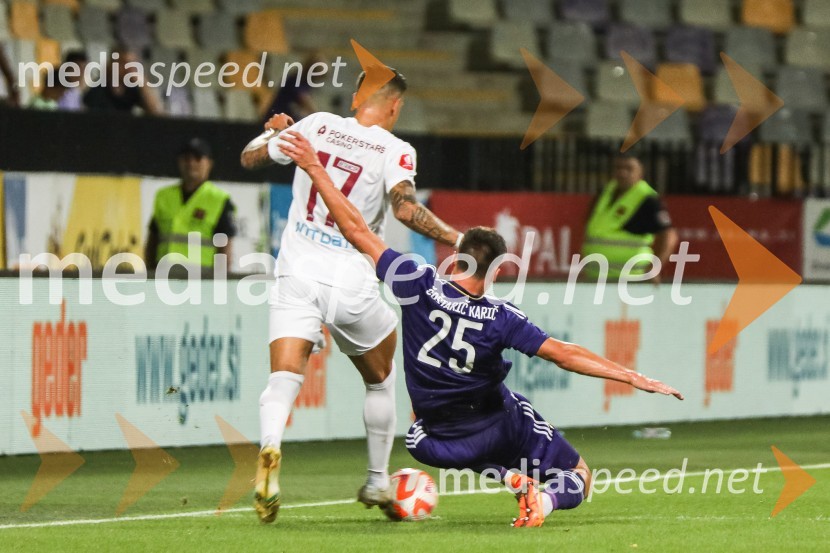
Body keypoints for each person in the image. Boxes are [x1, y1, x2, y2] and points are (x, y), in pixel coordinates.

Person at [276, 129, 684, 528]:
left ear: (456, 257)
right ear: (494, 271)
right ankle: (545, 497)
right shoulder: (502, 316)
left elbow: (356, 229)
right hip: (502, 422)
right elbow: (563, 353)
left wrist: (315, 166)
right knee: (579, 474)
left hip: (446, 438)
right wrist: (631, 375)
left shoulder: (416, 282)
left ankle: (506, 476)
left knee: (416, 438)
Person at [240, 68, 463, 523]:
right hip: (352, 281)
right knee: (380, 377)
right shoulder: (396, 150)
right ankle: (378, 478)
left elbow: (249, 159)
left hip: (297, 273)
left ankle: (269, 447)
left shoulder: (317, 124)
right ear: (395, 106)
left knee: (284, 377)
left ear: (357, 98)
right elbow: (404, 208)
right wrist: (456, 237)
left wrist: (270, 135)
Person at [581, 153, 678, 281]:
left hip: (631, 280)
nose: (622, 173)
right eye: (618, 168)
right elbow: (591, 232)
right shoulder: (605, 193)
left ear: (640, 172)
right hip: (595, 277)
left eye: (629, 168)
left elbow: (669, 236)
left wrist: (654, 269)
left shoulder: (648, 199)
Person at [145, 138, 236, 271]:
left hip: (200, 281)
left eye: (198, 158)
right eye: (186, 158)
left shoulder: (218, 199)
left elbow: (225, 249)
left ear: (209, 163)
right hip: (163, 278)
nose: (191, 163)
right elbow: (152, 240)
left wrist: (220, 284)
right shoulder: (164, 196)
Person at [84, 48, 163, 116]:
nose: (129, 70)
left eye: (132, 65)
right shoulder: (98, 88)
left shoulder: (131, 88)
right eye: (124, 63)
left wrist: (143, 84)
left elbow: (155, 112)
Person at [261, 52, 322, 122]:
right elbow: (304, 100)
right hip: (276, 117)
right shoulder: (295, 79)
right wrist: (318, 116)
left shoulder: (306, 84)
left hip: (288, 118)